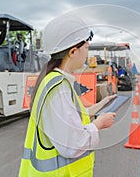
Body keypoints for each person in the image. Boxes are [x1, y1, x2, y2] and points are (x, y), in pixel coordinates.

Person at [19, 15, 116, 177]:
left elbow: (72, 117)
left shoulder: (53, 81)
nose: (87, 54)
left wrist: (103, 102)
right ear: (73, 51)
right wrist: (98, 124)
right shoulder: (59, 88)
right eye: (86, 48)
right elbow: (72, 145)